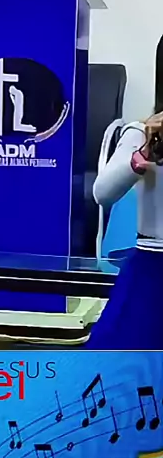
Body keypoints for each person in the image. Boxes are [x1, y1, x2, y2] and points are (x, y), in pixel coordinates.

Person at [89, 108, 163, 349]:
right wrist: (144, 153)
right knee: (120, 359)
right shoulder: (142, 133)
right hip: (153, 267)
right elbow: (102, 193)